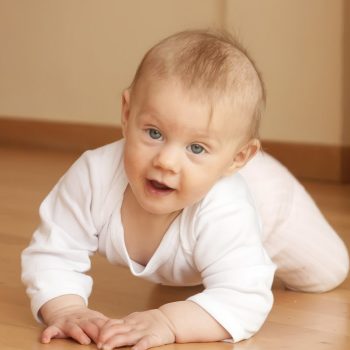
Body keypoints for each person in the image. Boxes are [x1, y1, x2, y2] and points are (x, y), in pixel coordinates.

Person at [21, 29, 349, 350]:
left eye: (195, 148)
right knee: (195, 269)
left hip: (265, 198)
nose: (165, 162)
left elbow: (244, 298)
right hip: (205, 202)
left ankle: (238, 249)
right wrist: (65, 308)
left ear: (239, 157)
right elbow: (54, 252)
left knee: (327, 273)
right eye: (154, 133)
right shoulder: (93, 176)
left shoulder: (226, 206)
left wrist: (169, 322)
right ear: (127, 112)